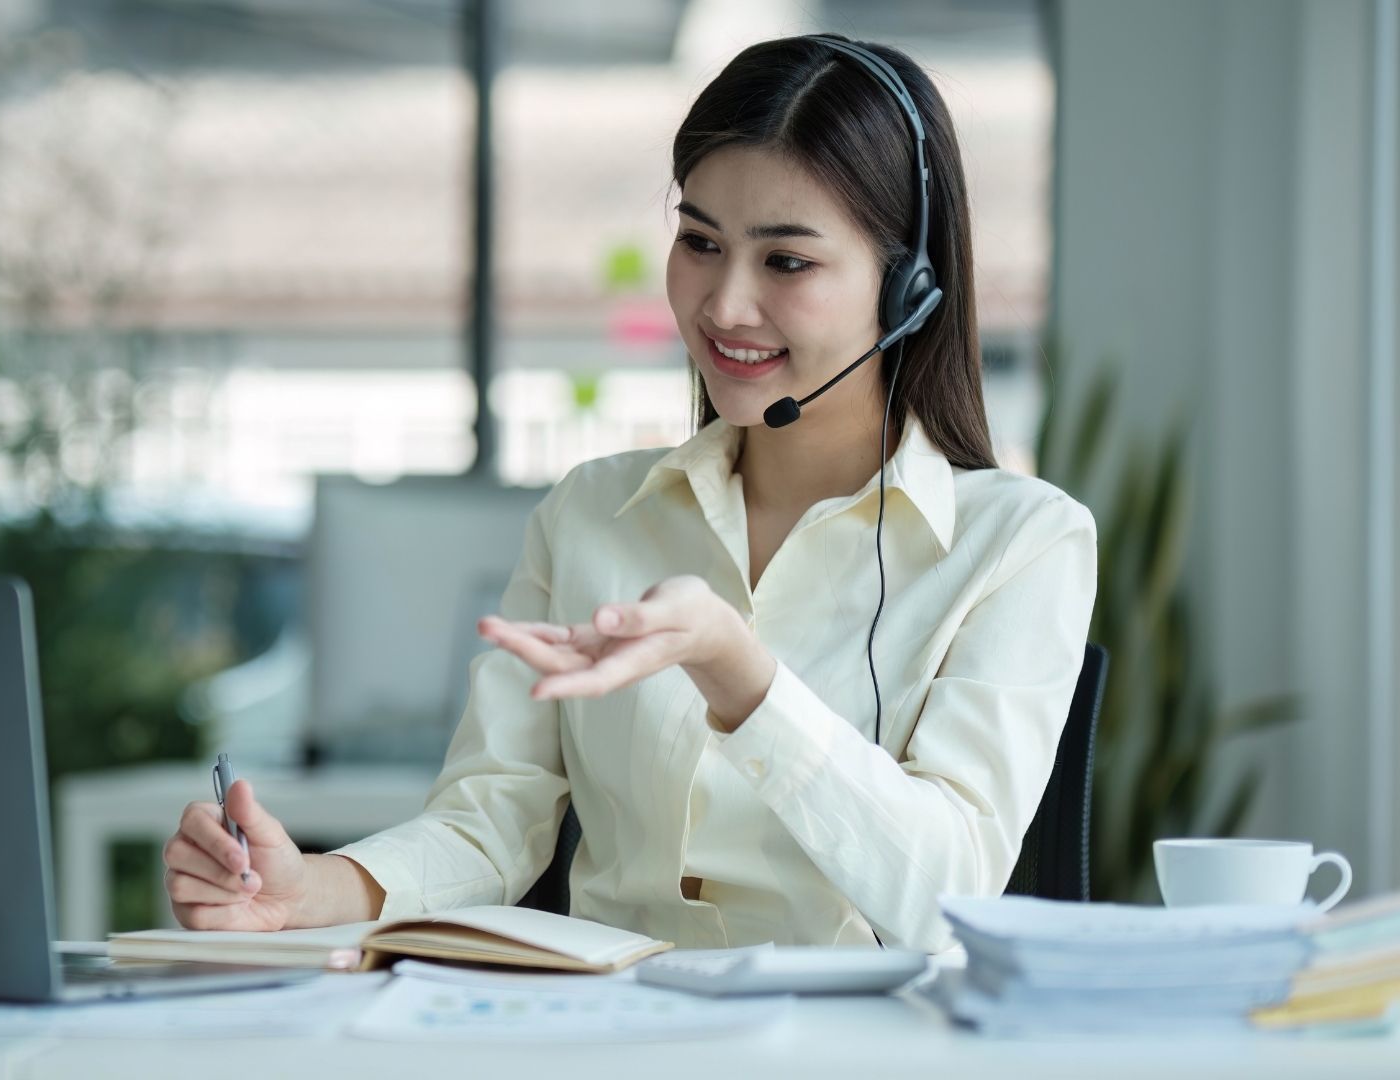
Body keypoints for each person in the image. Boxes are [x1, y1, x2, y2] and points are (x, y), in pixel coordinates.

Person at [159, 34, 1097, 953]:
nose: (725, 304)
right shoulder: (591, 514)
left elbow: (952, 891)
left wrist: (743, 676)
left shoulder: (1024, 543)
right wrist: (309, 889)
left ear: (907, 290)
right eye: (699, 240)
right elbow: (492, 821)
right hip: (609, 1038)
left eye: (787, 261)